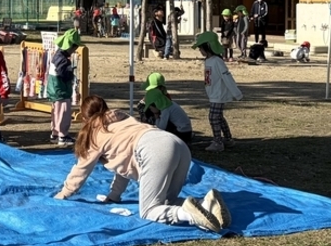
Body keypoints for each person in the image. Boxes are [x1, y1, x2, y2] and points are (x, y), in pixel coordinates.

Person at [54, 95, 228, 233]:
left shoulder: (96, 133)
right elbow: (123, 165)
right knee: (168, 202)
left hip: (154, 149)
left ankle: (189, 215)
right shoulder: (123, 120)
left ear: (85, 118)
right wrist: (114, 196)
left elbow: (81, 169)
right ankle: (206, 204)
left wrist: (64, 193)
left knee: (149, 211)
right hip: (179, 145)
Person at [194, 30, 242, 152]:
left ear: (208, 47)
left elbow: (227, 77)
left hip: (218, 94)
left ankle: (217, 142)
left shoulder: (217, 61)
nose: (200, 50)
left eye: (201, 48)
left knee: (213, 117)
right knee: (219, 117)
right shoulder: (208, 61)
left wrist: (236, 93)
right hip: (213, 94)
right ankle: (228, 139)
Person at [47, 28, 81, 144]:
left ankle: (55, 133)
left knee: (56, 112)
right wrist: (70, 73)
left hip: (54, 89)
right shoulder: (64, 61)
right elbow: (64, 75)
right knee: (63, 113)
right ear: (71, 46)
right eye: (74, 48)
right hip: (61, 90)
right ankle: (63, 135)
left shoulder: (56, 55)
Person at [141, 71, 193, 143]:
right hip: (184, 130)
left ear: (156, 105)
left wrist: (156, 115)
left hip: (182, 133)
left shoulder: (166, 109)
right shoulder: (166, 102)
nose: (150, 109)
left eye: (150, 107)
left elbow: (161, 128)